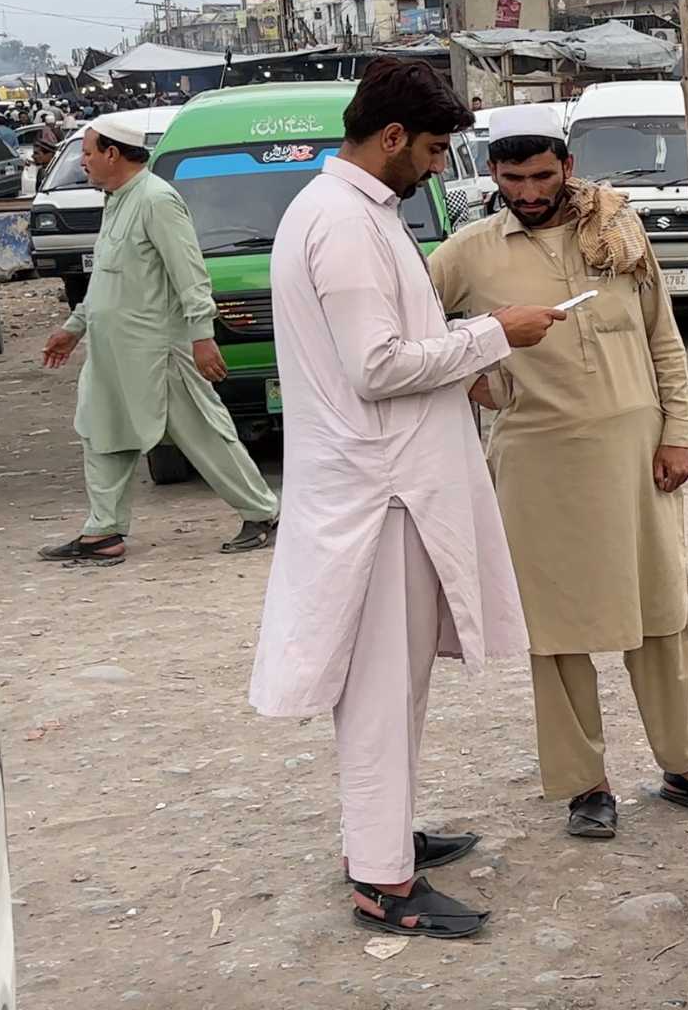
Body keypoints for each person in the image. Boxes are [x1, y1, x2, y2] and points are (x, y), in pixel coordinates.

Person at [247, 58, 565, 941]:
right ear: (390, 137)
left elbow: (400, 347)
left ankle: (383, 839)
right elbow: (378, 366)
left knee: (402, 684)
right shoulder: (341, 224)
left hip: (394, 487)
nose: (435, 167)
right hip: (378, 499)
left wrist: (469, 349)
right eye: (429, 150)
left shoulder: (358, 212)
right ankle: (381, 884)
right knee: (383, 692)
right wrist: (496, 333)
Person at [427, 105, 688, 841]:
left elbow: (664, 339)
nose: (528, 192)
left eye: (540, 175)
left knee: (661, 615)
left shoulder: (618, 236)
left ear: (566, 166)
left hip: (638, 457)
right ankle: (584, 785)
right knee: (557, 634)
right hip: (536, 464)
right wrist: (481, 382)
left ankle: (685, 766)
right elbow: (412, 342)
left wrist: (680, 434)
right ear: (492, 175)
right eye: (511, 177)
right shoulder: (467, 253)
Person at [36, 115, 281, 565]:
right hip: (113, 354)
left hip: (158, 353)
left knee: (206, 435)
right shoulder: (115, 201)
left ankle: (262, 513)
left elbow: (190, 275)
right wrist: (73, 329)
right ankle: (102, 533)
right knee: (102, 432)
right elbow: (106, 284)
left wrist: (202, 336)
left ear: (113, 154)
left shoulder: (156, 200)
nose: (83, 162)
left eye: (88, 153)